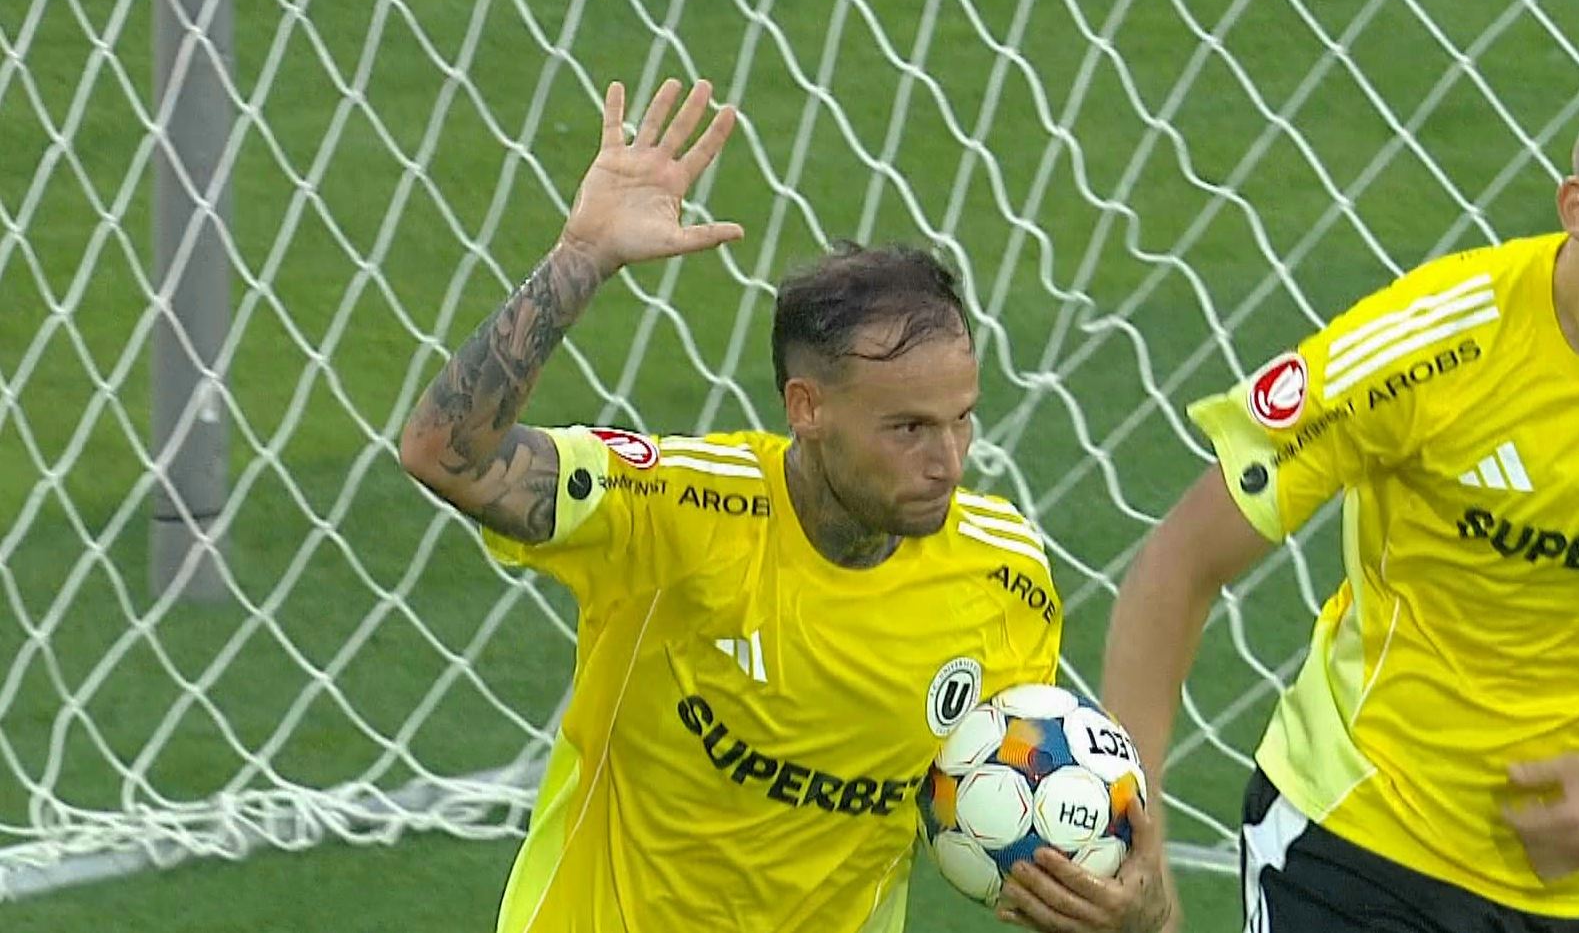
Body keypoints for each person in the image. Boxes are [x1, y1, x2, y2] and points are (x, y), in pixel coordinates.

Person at [399, 78, 1164, 933]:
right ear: (807, 408)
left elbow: (1009, 790)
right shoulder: (675, 511)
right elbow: (446, 451)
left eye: (961, 419)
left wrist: (1137, 911)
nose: (948, 462)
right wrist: (583, 255)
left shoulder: (1002, 574)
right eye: (907, 428)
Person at [1004, 149, 1579, 931]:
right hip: (1366, 842)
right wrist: (1127, 825)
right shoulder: (1431, 348)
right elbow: (1180, 564)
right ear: (1571, 207)